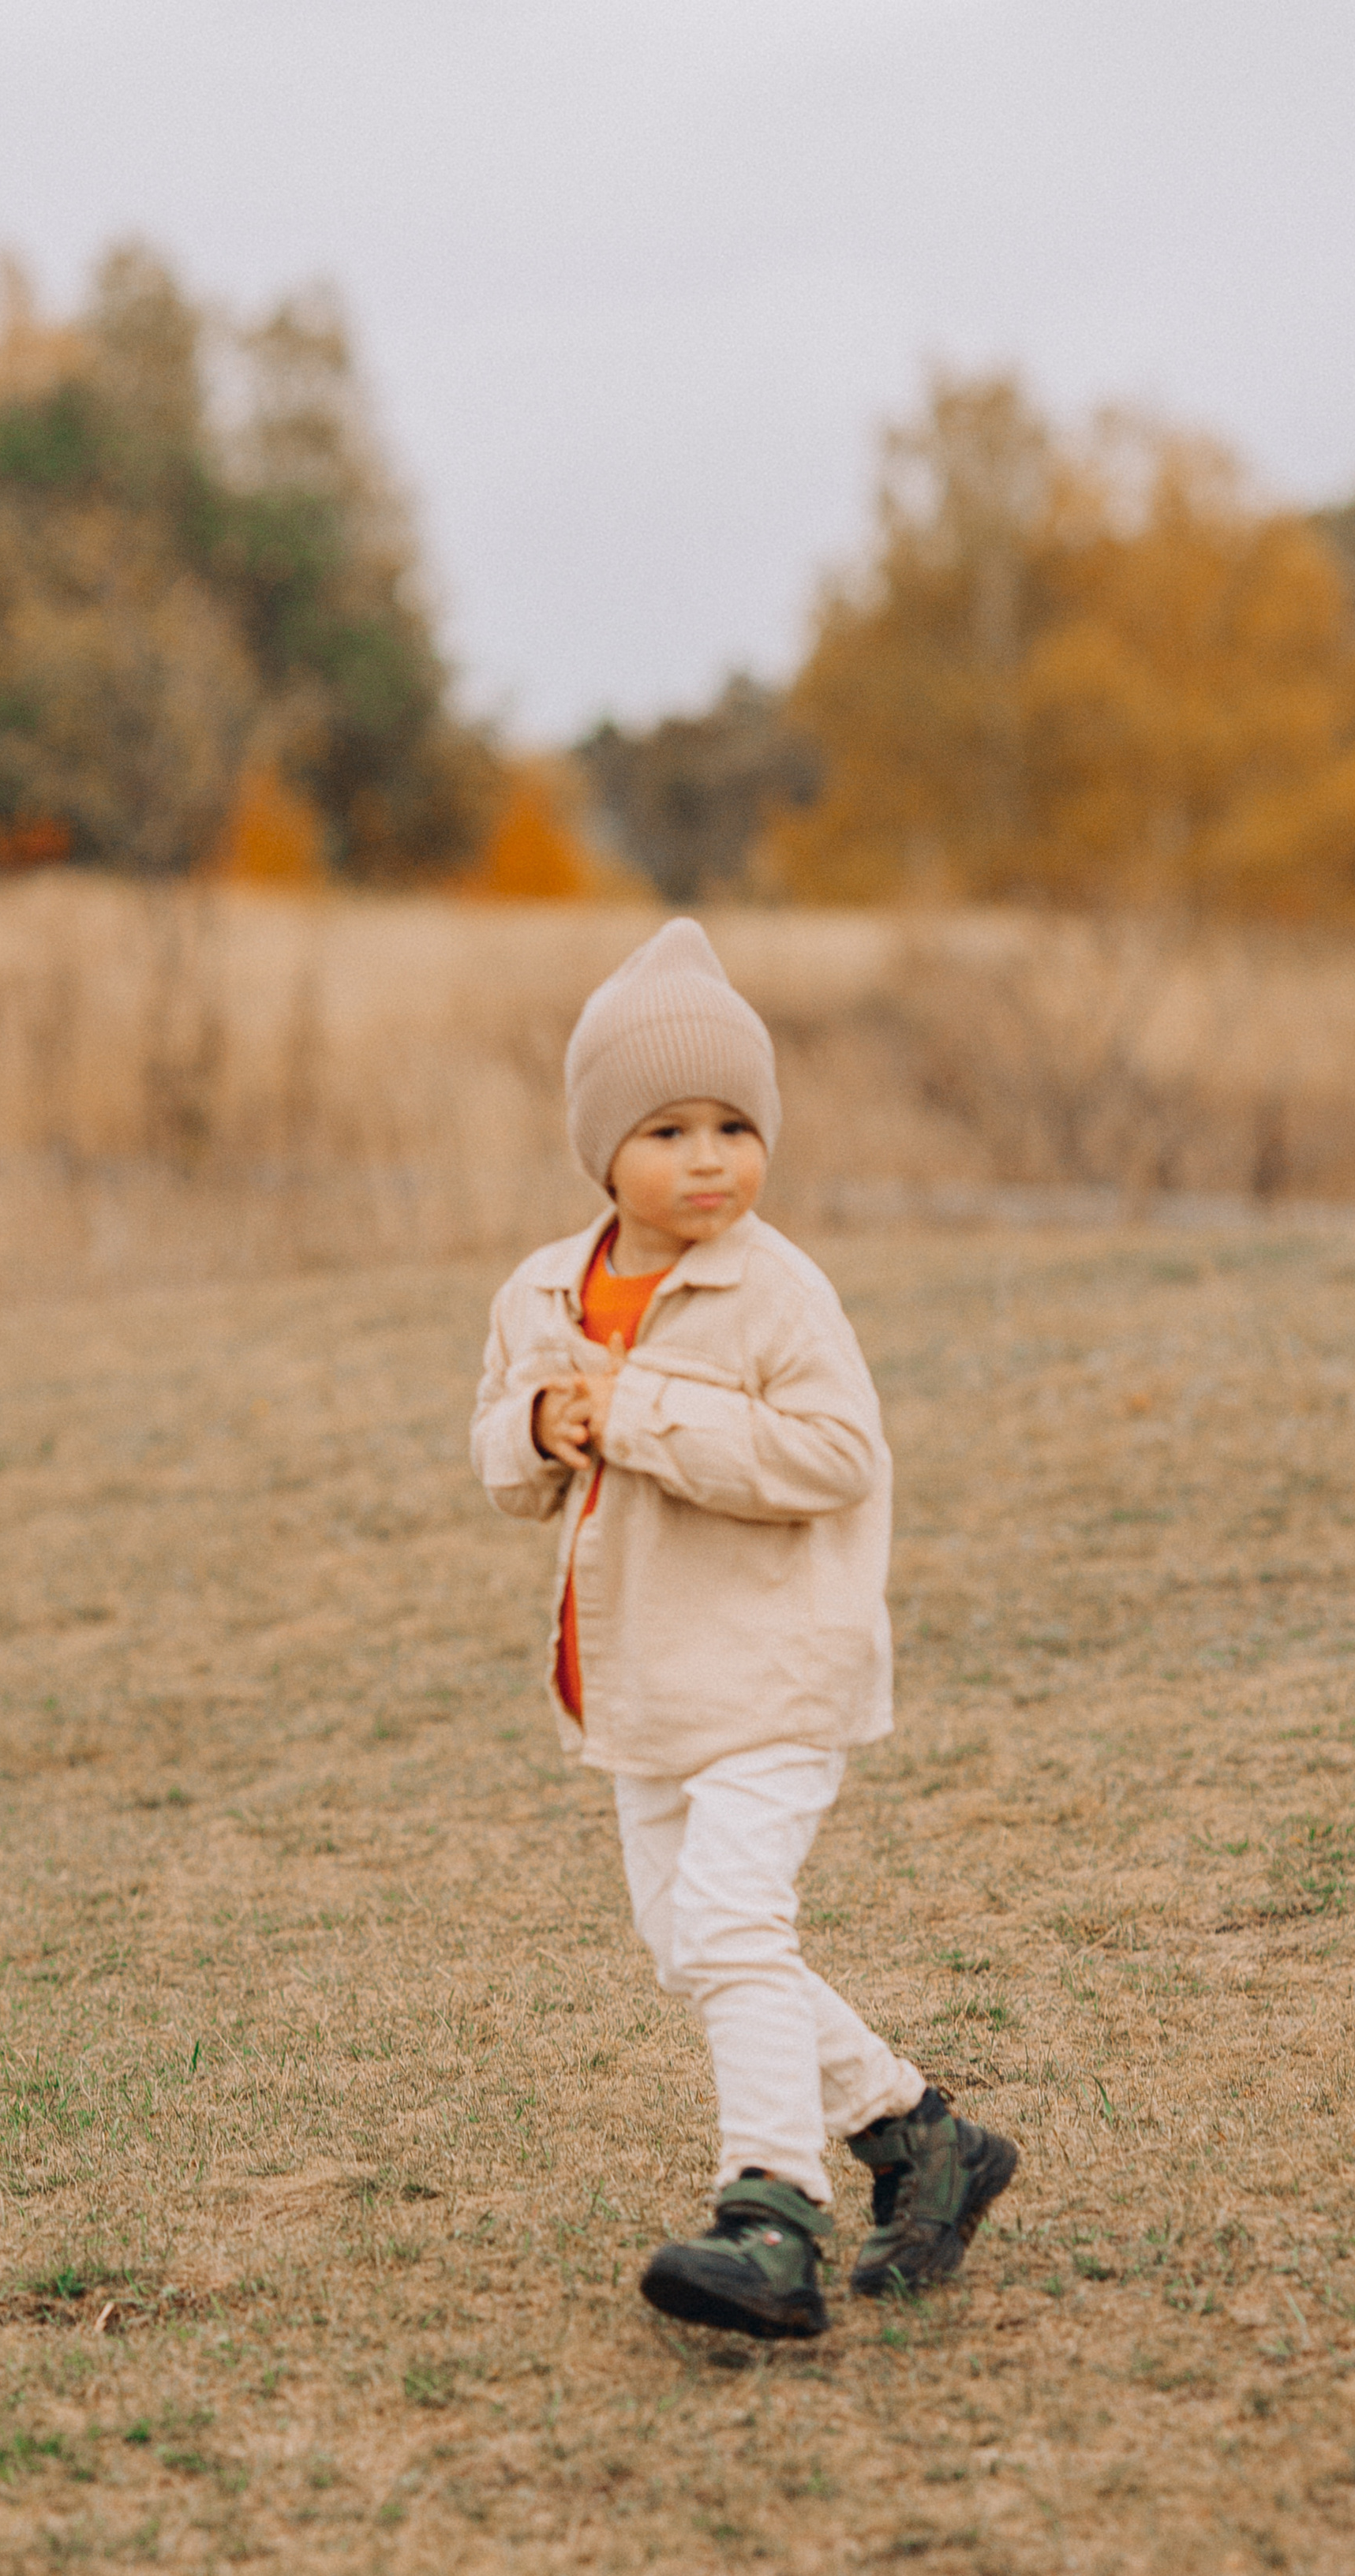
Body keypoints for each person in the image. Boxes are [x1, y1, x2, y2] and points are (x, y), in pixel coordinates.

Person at [470, 919, 1017, 2338]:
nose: (708, 1159)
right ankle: (922, 2139)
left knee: (729, 1922)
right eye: (668, 1131)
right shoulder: (545, 1291)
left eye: (735, 1127)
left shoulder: (777, 1291)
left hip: (776, 1672)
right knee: (693, 1947)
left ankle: (772, 2216)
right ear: (602, 1152)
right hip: (642, 1687)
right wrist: (542, 1425)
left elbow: (837, 1456)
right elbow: (505, 1469)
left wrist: (642, 1412)